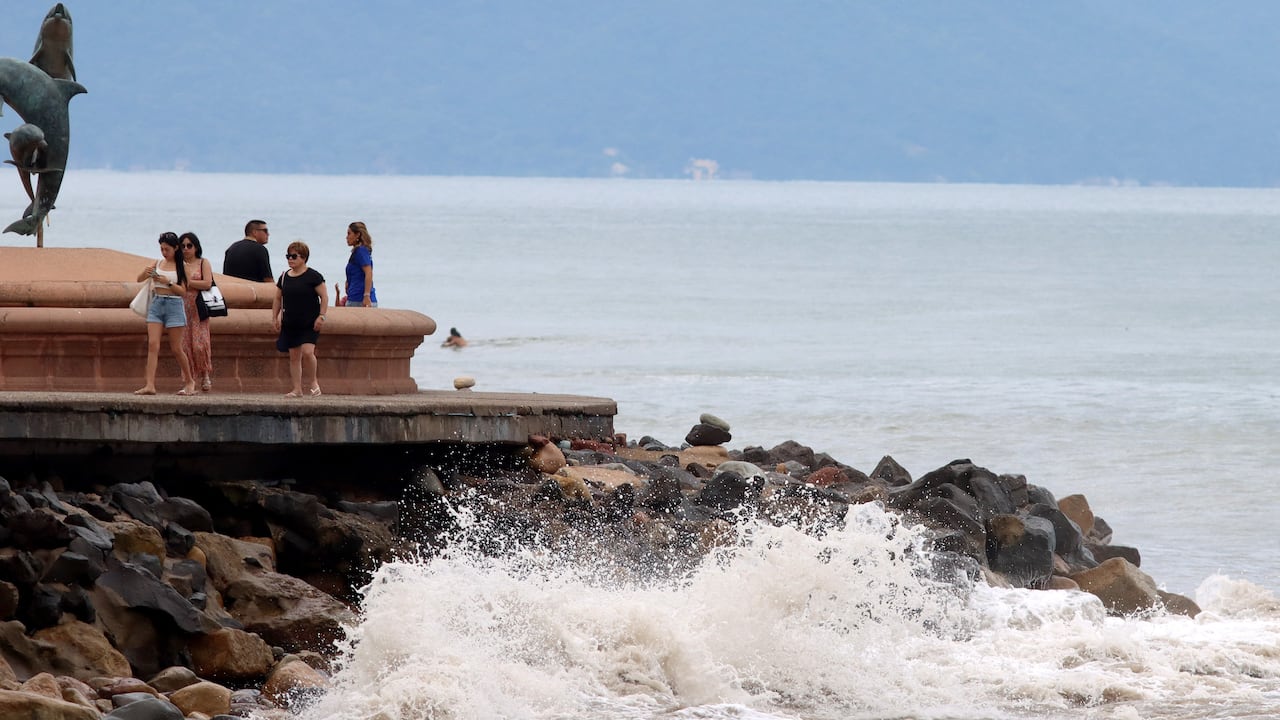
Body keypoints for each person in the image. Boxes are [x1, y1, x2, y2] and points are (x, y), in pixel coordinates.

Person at [135, 232, 196, 396]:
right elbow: (139, 279)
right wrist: (146, 272)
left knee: (176, 348)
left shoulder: (183, 267)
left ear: (176, 248)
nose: (164, 252)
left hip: (174, 305)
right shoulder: (158, 263)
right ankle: (149, 385)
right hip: (157, 303)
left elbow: (183, 291)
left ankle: (190, 381)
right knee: (153, 345)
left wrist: (167, 281)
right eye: (161, 249)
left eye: (167, 249)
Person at [273, 240, 328, 397]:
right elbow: (277, 298)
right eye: (288, 256)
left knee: (308, 351)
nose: (290, 259)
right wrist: (274, 317)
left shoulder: (313, 276)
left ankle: (313, 382)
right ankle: (297, 389)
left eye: (294, 256)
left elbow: (324, 296)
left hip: (309, 321)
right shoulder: (284, 277)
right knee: (294, 356)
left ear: (303, 258)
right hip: (291, 321)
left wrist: (322, 316)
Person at [179, 232, 215, 392]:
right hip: (182, 307)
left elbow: (207, 283)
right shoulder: (178, 264)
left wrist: (189, 283)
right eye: (183, 246)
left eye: (189, 245)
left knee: (200, 345)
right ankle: (190, 379)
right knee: (185, 345)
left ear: (196, 247)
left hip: (199, 307)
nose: (186, 249)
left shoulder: (203, 263)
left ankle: (205, 374)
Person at [344, 221, 377, 307]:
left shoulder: (361, 251)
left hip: (359, 299)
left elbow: (368, 272)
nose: (346, 237)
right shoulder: (357, 252)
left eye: (349, 234)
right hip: (354, 297)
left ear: (357, 235)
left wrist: (366, 295)